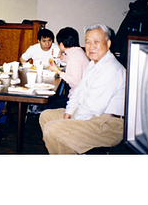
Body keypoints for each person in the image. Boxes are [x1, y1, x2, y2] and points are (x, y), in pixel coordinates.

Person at [39, 23, 126, 154]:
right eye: (88, 42)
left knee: (53, 129)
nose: (92, 46)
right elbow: (78, 91)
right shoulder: (93, 64)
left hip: (110, 124)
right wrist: (68, 113)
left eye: (97, 41)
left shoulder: (110, 69)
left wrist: (70, 122)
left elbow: (92, 106)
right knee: (46, 116)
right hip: (92, 115)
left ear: (108, 44)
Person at [48, 27, 89, 96]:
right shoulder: (77, 51)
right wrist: (61, 57)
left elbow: (76, 82)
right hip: (79, 93)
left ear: (61, 44)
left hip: (78, 97)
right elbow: (73, 62)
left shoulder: (75, 56)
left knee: (46, 104)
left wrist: (58, 71)